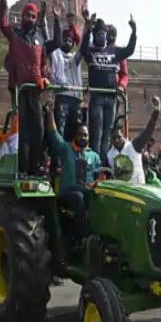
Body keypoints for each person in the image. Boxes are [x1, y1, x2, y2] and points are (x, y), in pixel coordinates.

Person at [0, 0, 54, 175]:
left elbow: (46, 59)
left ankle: (35, 167)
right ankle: (22, 168)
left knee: (38, 128)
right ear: (22, 17)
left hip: (35, 89)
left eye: (33, 16)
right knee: (23, 131)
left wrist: (45, 77)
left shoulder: (39, 39)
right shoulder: (16, 34)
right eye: (27, 15)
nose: (30, 19)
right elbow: (0, 21)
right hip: (20, 88)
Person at [80, 11, 137, 160]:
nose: (102, 36)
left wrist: (134, 31)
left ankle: (104, 165)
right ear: (94, 35)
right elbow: (82, 48)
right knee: (96, 133)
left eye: (103, 33)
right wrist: (87, 29)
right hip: (97, 96)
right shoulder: (90, 51)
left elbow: (129, 50)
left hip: (111, 98)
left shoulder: (114, 51)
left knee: (107, 133)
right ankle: (94, 163)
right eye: (98, 33)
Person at [44, 101, 101, 244]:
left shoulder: (93, 156)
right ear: (75, 136)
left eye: (86, 135)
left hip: (88, 192)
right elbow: (53, 133)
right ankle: (81, 239)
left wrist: (98, 182)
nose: (84, 138)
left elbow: (100, 176)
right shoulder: (66, 149)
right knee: (78, 197)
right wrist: (50, 112)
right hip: (68, 194)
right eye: (81, 135)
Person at [107, 96, 161, 183]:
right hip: (122, 191)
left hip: (137, 190)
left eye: (119, 137)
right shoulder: (109, 154)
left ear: (123, 135)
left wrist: (156, 111)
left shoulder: (133, 146)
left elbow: (148, 131)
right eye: (114, 138)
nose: (116, 140)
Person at [50, 11, 83, 143]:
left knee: (74, 133)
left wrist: (77, 26)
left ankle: (73, 162)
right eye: (65, 40)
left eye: (70, 40)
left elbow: (82, 46)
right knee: (60, 132)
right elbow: (50, 38)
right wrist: (56, 20)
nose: (68, 43)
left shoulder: (75, 59)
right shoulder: (55, 54)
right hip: (62, 97)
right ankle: (57, 162)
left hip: (76, 99)